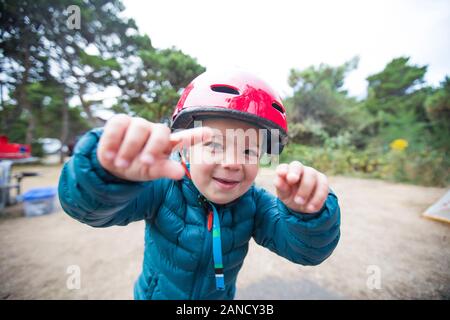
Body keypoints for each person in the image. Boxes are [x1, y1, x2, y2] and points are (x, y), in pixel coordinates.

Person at [58, 70, 341, 300]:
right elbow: (89, 210)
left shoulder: (254, 203)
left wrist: (310, 215)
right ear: (184, 149)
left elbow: (305, 251)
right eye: (214, 145)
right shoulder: (163, 187)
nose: (233, 163)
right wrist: (105, 175)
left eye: (248, 151)